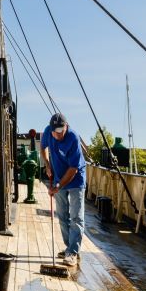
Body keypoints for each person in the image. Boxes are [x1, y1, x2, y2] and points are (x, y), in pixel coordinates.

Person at [40, 112, 86, 268]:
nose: (56, 135)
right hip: (58, 176)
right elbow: (43, 146)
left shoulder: (73, 138)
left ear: (66, 127)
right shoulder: (49, 131)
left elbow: (73, 169)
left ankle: (73, 253)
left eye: (59, 131)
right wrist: (47, 164)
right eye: (54, 132)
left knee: (76, 217)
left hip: (75, 180)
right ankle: (69, 248)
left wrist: (57, 187)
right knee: (62, 215)